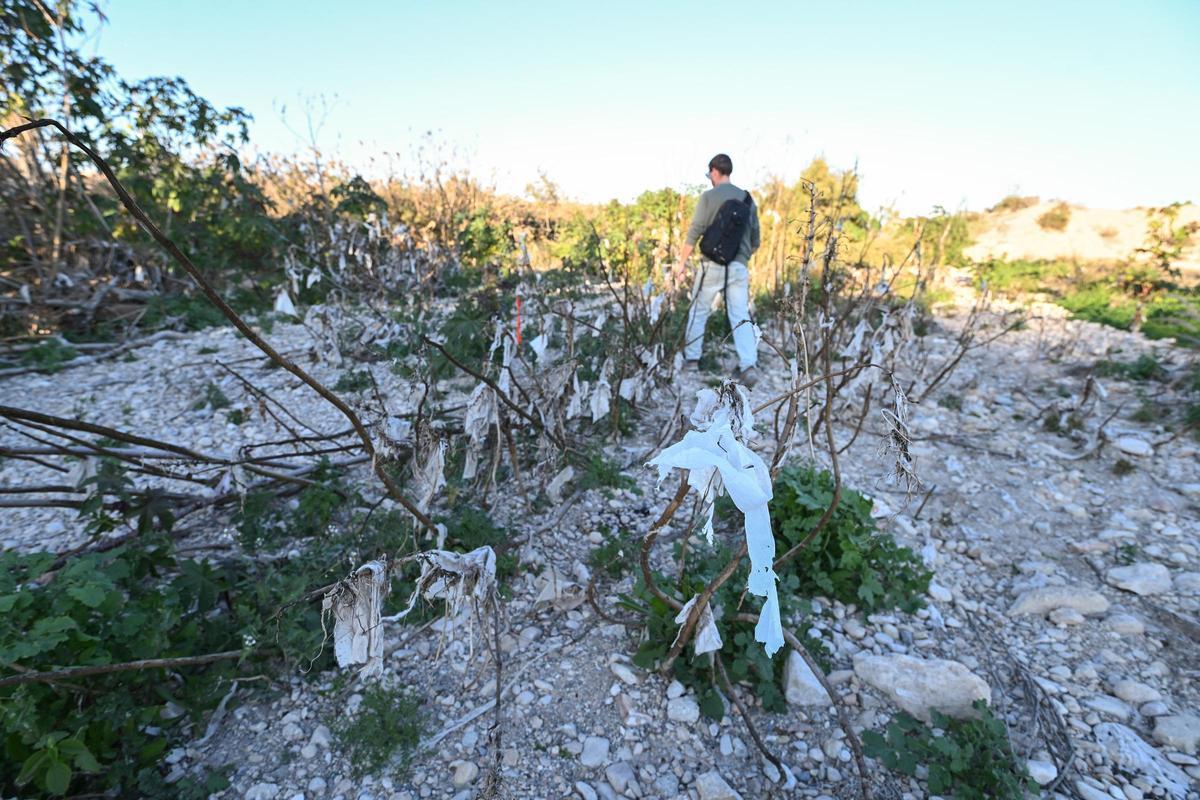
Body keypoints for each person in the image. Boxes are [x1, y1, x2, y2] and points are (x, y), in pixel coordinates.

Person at [677, 153, 761, 387]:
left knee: (699, 310)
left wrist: (681, 263)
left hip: (711, 264)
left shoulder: (708, 197)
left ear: (715, 171)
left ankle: (692, 360)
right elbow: (756, 240)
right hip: (738, 267)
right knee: (740, 315)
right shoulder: (747, 199)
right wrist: (740, 258)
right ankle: (748, 365)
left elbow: (695, 231)